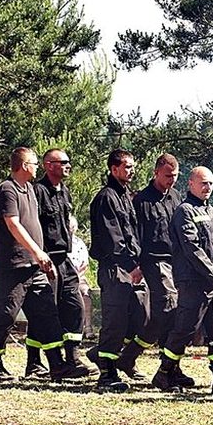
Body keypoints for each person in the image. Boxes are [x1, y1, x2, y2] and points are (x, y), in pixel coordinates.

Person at [0, 147, 87, 383]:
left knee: (46, 313)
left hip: (36, 266)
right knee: (6, 314)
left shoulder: (30, 189)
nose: (37, 167)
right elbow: (13, 224)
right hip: (14, 266)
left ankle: (57, 365)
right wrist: (37, 251)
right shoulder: (7, 189)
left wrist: (42, 257)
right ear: (22, 165)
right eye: (33, 163)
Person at [152, 167, 213, 394]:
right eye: (203, 183)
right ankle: (164, 373)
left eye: (211, 183)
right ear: (190, 184)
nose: (207, 188)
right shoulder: (184, 212)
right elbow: (192, 249)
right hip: (195, 282)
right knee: (186, 329)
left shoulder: (212, 211)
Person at [89, 149, 150, 393]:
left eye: (133, 166)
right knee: (114, 320)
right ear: (114, 169)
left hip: (133, 267)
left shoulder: (126, 197)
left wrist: (140, 264)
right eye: (127, 166)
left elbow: (133, 234)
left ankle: (104, 355)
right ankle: (106, 372)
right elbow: (113, 238)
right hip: (116, 268)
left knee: (142, 316)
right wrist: (130, 265)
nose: (131, 170)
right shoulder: (106, 198)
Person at [33, 149, 95, 378]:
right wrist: (39, 255)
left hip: (64, 258)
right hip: (46, 258)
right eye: (63, 162)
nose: (68, 166)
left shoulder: (64, 192)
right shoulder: (37, 191)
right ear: (49, 165)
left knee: (74, 306)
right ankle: (49, 363)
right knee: (47, 312)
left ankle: (73, 357)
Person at [124, 154, 186, 383]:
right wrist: (136, 264)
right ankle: (166, 368)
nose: (172, 180)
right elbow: (134, 234)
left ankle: (161, 364)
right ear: (156, 172)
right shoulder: (141, 200)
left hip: (176, 262)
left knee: (166, 316)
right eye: (168, 175)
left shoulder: (177, 198)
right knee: (170, 305)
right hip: (153, 261)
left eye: (175, 176)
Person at [66, 215, 95, 339]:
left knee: (85, 292)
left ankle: (87, 328)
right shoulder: (59, 241)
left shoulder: (79, 243)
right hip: (63, 277)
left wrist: (77, 276)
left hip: (79, 277)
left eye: (72, 227)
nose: (71, 229)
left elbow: (85, 264)